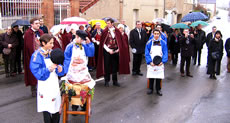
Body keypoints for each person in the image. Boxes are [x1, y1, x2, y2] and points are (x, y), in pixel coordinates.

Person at [30, 34, 64, 123]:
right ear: (43, 43)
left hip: (54, 83)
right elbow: (36, 71)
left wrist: (60, 68)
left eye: (53, 43)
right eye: (50, 43)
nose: (52, 45)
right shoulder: (36, 55)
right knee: (46, 108)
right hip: (45, 84)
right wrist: (48, 69)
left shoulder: (52, 52)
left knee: (56, 106)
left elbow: (58, 63)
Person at [63, 30, 95, 112]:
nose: (82, 41)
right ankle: (74, 106)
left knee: (84, 88)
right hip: (72, 72)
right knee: (74, 89)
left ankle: (84, 105)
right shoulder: (70, 46)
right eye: (81, 39)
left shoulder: (84, 45)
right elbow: (66, 59)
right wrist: (67, 71)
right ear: (77, 37)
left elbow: (91, 53)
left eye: (83, 40)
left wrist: (89, 44)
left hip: (83, 72)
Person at [96, 18, 130, 87]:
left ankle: (115, 81)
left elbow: (120, 42)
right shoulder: (105, 31)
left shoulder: (117, 31)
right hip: (107, 51)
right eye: (107, 23)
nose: (107, 24)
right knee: (107, 66)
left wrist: (118, 49)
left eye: (108, 23)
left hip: (115, 51)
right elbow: (103, 43)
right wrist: (108, 50)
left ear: (112, 23)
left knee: (115, 66)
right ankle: (107, 81)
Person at [24, 17, 44, 97]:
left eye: (39, 23)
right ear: (32, 25)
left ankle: (42, 88)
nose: (38, 25)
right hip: (33, 56)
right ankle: (33, 89)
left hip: (42, 55)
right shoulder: (28, 33)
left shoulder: (41, 32)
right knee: (33, 72)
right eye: (36, 23)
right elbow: (28, 46)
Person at [145, 29, 168, 96]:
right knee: (151, 76)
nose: (156, 35)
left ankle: (158, 89)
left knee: (159, 77)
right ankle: (150, 88)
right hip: (151, 62)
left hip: (160, 62)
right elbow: (147, 53)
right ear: (153, 34)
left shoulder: (163, 43)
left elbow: (165, 52)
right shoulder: (149, 43)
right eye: (155, 34)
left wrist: (163, 61)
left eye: (157, 34)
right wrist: (149, 61)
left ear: (159, 34)